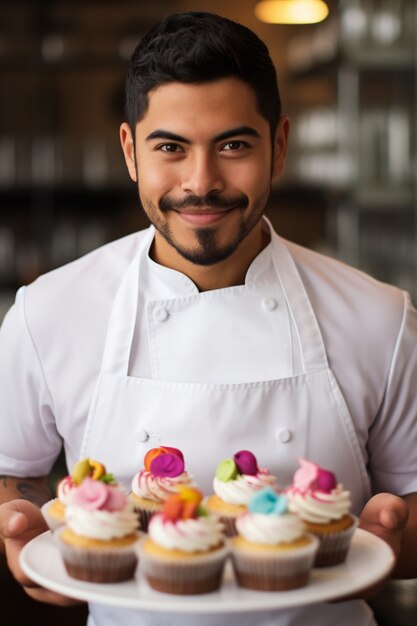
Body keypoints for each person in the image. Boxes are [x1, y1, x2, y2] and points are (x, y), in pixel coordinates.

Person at [0, 10, 416, 626]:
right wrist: (20, 529)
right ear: (129, 151)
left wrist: (393, 540)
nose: (202, 182)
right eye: (170, 147)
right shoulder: (48, 313)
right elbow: (12, 476)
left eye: (234, 145)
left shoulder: (381, 317)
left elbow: (410, 502)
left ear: (277, 146)